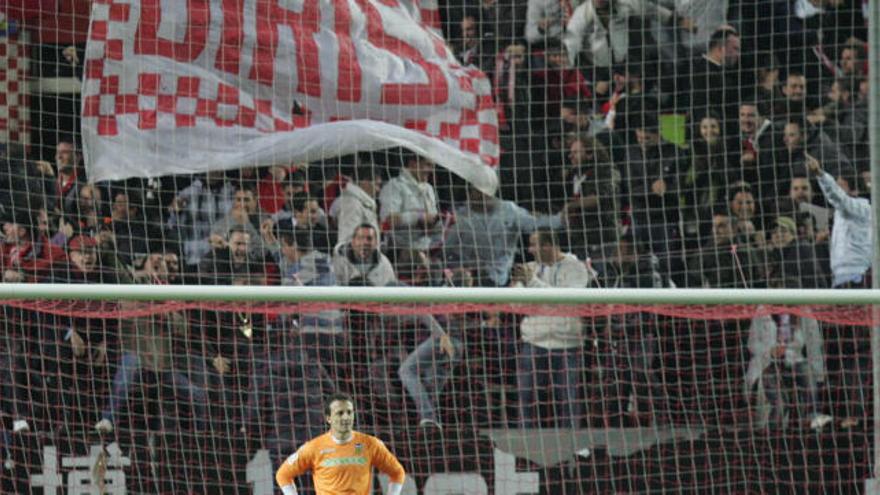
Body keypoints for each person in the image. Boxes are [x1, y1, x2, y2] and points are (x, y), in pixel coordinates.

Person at [275, 393, 406, 495]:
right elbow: (283, 475)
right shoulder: (314, 447)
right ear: (328, 418)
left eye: (349, 412)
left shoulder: (370, 444)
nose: (346, 417)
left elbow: (398, 472)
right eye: (340, 413)